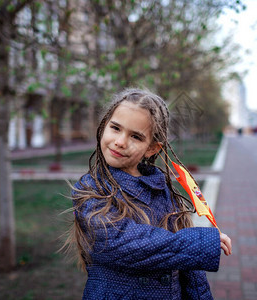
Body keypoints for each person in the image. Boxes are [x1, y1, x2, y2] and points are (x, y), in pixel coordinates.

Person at [62, 88, 232, 299]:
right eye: (115, 128)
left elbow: (189, 269)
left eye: (135, 136)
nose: (121, 141)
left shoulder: (162, 189)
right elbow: (123, 242)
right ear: (104, 126)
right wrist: (198, 243)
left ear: (151, 148)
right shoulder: (92, 190)